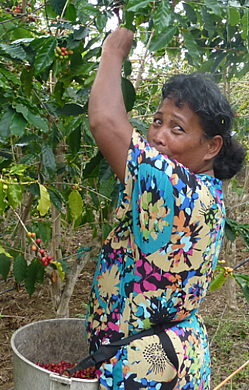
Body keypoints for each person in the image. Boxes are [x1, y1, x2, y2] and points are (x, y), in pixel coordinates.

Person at [84, 28, 246, 390]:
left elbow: (106, 121)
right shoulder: (209, 192)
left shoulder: (176, 187)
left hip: (146, 368)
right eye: (157, 121)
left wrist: (113, 47)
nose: (158, 135)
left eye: (177, 128)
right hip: (175, 357)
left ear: (211, 147)